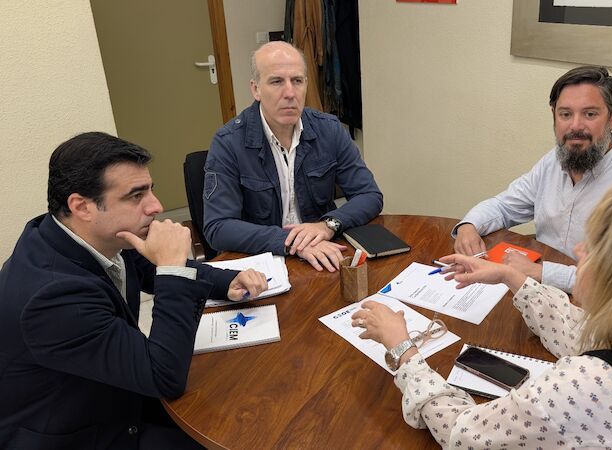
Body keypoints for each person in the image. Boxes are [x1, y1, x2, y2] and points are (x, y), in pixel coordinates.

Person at [353, 183, 612, 448]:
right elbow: (580, 332)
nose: (578, 251)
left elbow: (464, 434)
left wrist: (402, 349)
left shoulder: (590, 385)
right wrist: (511, 277)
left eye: (593, 247)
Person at [0, 132, 269, 449]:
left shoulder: (92, 233)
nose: (156, 206)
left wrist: (227, 280)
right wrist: (174, 269)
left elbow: (149, 268)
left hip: (115, 392)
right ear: (82, 206)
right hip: (85, 433)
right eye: (136, 195)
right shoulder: (51, 297)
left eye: (151, 189)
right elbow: (164, 378)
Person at [453, 65, 612, 293]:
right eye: (565, 114)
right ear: (554, 115)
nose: (575, 126)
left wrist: (542, 272)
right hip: (535, 289)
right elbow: (504, 206)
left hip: (593, 303)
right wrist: (469, 226)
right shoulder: (553, 161)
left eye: (590, 114)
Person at [203, 41, 383, 272]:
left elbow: (369, 195)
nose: (290, 93)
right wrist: (290, 243)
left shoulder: (329, 129)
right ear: (256, 89)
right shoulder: (228, 142)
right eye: (276, 81)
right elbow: (218, 227)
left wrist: (328, 225)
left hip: (322, 252)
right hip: (263, 262)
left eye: (297, 81)